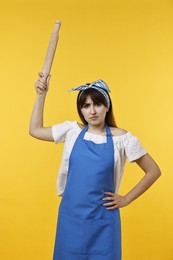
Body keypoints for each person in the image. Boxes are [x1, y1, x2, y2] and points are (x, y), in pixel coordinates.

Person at [29, 73, 161, 260]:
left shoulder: (121, 138)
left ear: (107, 106)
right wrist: (41, 94)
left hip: (104, 223)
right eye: (86, 106)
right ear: (81, 110)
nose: (92, 111)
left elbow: (153, 171)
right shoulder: (72, 131)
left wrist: (126, 199)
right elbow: (34, 130)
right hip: (70, 221)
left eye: (97, 104)